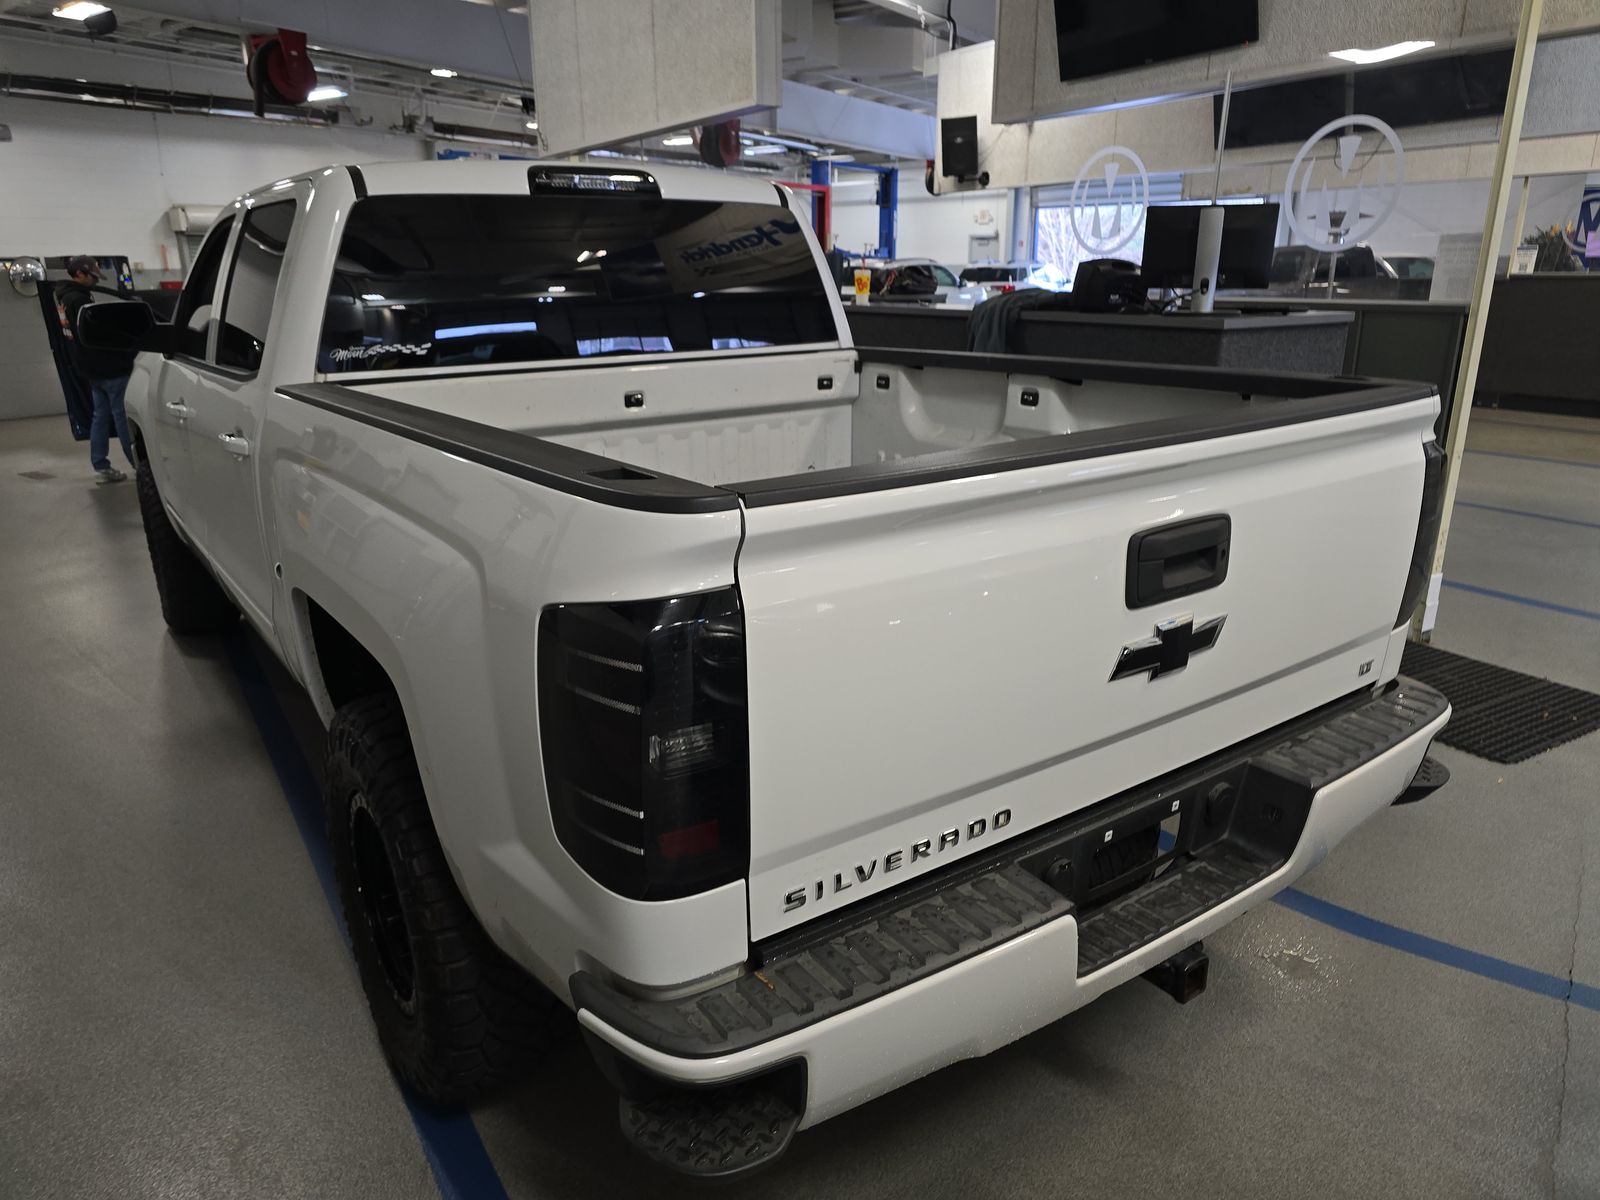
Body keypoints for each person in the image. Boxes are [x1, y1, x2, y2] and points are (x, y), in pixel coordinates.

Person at [55, 256, 136, 485]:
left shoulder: (64, 298)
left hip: (91, 369)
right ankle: (139, 466)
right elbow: (95, 336)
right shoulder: (78, 300)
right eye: (92, 275)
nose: (94, 280)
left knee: (100, 416)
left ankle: (100, 465)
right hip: (108, 368)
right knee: (121, 416)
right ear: (80, 273)